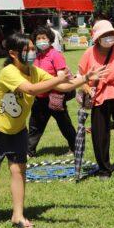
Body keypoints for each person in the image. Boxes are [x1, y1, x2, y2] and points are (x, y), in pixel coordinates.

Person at [0, 33, 105, 228]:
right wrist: (58, 79)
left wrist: (85, 79)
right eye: (26, 50)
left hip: (17, 130)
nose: (32, 52)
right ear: (13, 53)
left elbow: (61, 86)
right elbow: (31, 90)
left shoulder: (34, 71)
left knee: (19, 171)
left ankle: (17, 215)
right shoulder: (8, 72)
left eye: (33, 49)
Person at [79, 20, 114, 180]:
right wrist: (87, 88)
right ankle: (104, 169)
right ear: (97, 38)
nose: (109, 38)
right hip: (99, 98)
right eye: (104, 35)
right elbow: (80, 77)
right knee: (100, 135)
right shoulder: (89, 53)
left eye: (111, 34)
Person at [27, 26, 77, 158]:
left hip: (54, 97)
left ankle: (76, 148)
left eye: (44, 38)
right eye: (38, 38)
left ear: (50, 40)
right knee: (34, 126)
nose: (41, 41)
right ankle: (29, 152)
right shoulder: (37, 56)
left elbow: (61, 75)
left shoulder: (55, 55)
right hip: (40, 97)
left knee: (65, 124)